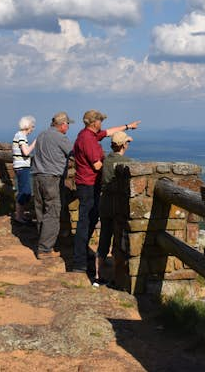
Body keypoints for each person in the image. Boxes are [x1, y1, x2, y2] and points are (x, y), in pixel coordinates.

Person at [71, 109, 140, 273]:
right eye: (100, 121)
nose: (102, 123)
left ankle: (83, 255)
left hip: (87, 183)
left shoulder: (89, 134)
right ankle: (79, 263)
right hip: (88, 184)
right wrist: (112, 167)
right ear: (95, 122)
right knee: (85, 222)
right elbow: (97, 165)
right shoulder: (88, 139)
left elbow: (108, 133)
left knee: (91, 219)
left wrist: (127, 127)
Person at [30, 111, 74, 260]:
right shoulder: (60, 138)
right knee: (53, 212)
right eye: (67, 124)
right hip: (52, 178)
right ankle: (44, 249)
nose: (68, 127)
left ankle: (41, 240)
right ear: (62, 125)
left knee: (40, 210)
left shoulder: (42, 134)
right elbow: (74, 153)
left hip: (37, 176)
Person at [95, 130, 134, 284]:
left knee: (104, 237)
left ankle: (98, 276)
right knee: (119, 240)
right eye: (127, 142)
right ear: (124, 145)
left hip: (104, 203)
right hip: (117, 206)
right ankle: (118, 277)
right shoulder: (127, 163)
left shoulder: (106, 160)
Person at [12, 115, 36, 225]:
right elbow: (26, 152)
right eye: (32, 126)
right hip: (22, 167)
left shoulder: (19, 135)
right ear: (28, 126)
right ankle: (19, 217)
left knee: (23, 191)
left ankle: (20, 216)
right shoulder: (21, 136)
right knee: (25, 192)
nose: (33, 129)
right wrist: (35, 143)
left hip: (20, 167)